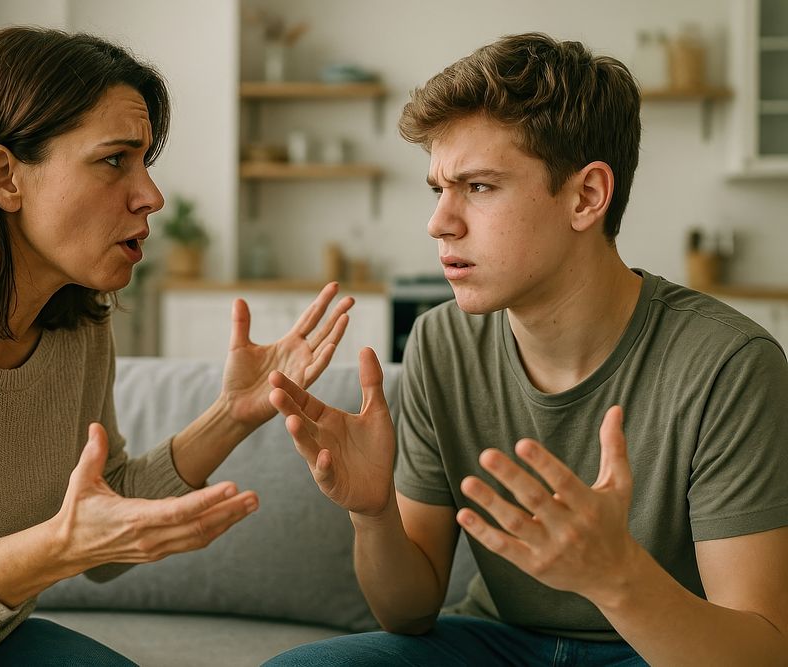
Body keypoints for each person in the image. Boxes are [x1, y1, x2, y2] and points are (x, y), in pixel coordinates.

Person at [0, 26, 354, 666]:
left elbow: (103, 506)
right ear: (6, 176)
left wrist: (233, 415)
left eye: (146, 162)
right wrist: (60, 545)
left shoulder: (77, 318)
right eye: (115, 160)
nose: (152, 196)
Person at [265, 32, 788, 666]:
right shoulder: (441, 342)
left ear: (586, 196)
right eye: (438, 188)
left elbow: (763, 652)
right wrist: (374, 514)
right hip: (496, 643)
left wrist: (615, 575)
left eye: (479, 187)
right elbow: (408, 612)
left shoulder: (730, 364)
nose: (439, 221)